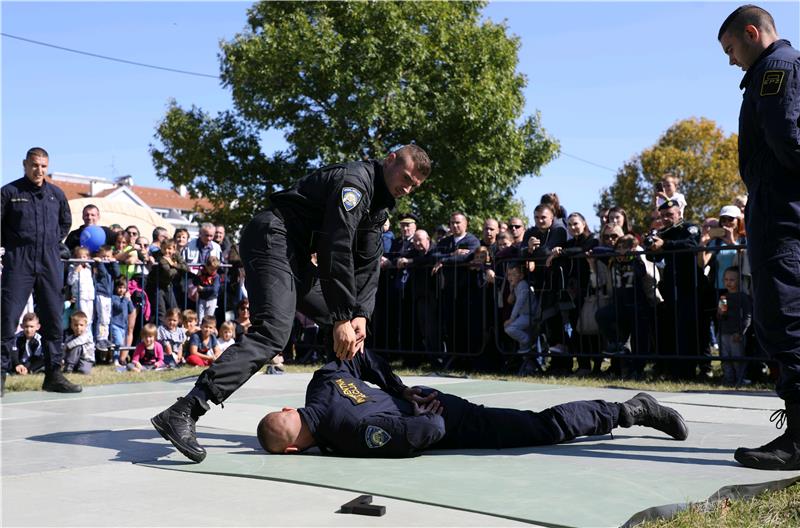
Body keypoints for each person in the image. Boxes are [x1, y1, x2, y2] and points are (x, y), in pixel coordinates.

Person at [151, 145, 431, 462]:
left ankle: (397, 392)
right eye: (405, 177)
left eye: (413, 186)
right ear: (390, 159)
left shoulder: (379, 206)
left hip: (293, 252)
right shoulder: (355, 183)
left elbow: (367, 266)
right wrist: (341, 317)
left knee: (353, 330)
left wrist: (359, 316)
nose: (406, 187)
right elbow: (335, 247)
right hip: (272, 236)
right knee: (274, 331)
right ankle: (185, 410)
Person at [256, 349, 688, 457]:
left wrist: (416, 411)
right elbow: (358, 355)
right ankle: (626, 411)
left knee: (540, 428)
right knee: (531, 425)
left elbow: (424, 433)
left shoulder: (347, 436)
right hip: (431, 399)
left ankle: (630, 410)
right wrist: (400, 387)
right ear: (290, 410)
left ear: (293, 449)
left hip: (446, 418)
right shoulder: (321, 385)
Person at [718, 4, 800, 470]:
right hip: (782, 212)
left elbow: (786, 140)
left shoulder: (775, 69)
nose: (731, 60)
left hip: (782, 216)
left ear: (753, 33)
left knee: (784, 322)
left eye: (732, 48)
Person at [1, 147, 81, 394]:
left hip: (49, 261)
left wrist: (48, 243)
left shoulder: (56, 195)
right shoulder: (9, 192)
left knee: (53, 319)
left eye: (44, 166)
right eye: (35, 165)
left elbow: (65, 222)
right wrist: (14, 245)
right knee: (7, 318)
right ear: (25, 164)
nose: (39, 170)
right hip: (19, 261)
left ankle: (53, 375)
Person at [717, 266, 753, 386]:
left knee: (738, 358)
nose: (728, 282)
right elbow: (720, 316)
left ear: (739, 281)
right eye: (726, 279)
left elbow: (747, 317)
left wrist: (741, 332)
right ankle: (728, 379)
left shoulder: (743, 297)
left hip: (736, 333)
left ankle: (741, 378)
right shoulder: (724, 297)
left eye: (732, 280)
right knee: (725, 358)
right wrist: (720, 312)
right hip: (724, 332)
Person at [504, 263, 535, 354]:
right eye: (509, 274)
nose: (510, 277)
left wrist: (511, 319)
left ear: (521, 276)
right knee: (523, 348)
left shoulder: (523, 285)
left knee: (510, 328)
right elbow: (510, 300)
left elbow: (519, 303)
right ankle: (528, 362)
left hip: (530, 315)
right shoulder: (515, 285)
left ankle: (529, 341)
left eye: (514, 274)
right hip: (523, 315)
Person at [67, 246, 96, 329]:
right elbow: (70, 281)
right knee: (82, 316)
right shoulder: (73, 267)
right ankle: (81, 334)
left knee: (90, 317)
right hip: (80, 297)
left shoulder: (89, 267)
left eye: (84, 257)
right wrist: (76, 271)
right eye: (79, 257)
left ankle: (89, 335)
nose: (82, 259)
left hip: (89, 296)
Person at [63, 311, 95, 375]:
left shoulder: (87, 335)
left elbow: (78, 341)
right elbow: (64, 349)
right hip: (73, 360)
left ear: (85, 326)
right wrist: (62, 358)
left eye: (81, 325)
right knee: (74, 346)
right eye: (75, 325)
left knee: (84, 371)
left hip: (86, 359)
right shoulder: (69, 338)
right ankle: (69, 367)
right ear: (71, 326)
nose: (78, 327)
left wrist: (67, 346)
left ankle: (78, 367)